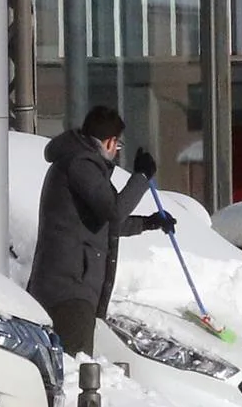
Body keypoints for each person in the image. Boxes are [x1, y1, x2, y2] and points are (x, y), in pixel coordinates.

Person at [28, 105, 176, 356]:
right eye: (117, 146)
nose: (116, 154)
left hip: (69, 285)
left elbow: (102, 222)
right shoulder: (81, 164)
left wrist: (148, 223)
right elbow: (114, 212)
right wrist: (140, 177)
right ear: (109, 142)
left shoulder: (80, 164)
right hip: (69, 289)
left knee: (75, 367)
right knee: (76, 369)